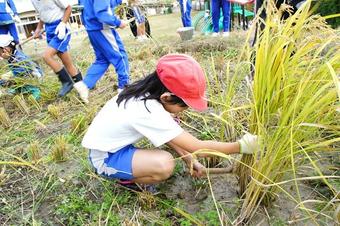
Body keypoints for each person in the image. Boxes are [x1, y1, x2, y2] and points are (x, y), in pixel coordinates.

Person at [81, 54, 258, 188]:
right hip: (104, 158)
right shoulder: (148, 111)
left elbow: (171, 136)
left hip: (115, 146)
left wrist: (189, 160)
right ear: (166, 97)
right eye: (185, 106)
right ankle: (126, 179)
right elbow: (199, 148)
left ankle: (131, 167)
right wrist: (240, 146)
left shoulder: (147, 93)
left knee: (173, 127)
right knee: (165, 164)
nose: (186, 110)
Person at [75, 0, 131, 104]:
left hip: (92, 28)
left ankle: (85, 84)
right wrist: (118, 22)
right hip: (102, 28)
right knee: (120, 57)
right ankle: (124, 87)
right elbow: (102, 13)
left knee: (102, 60)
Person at [31, 0, 84, 98]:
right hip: (49, 29)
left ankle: (66, 82)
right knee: (67, 62)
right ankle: (83, 85)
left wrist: (63, 24)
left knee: (47, 56)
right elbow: (43, 15)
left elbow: (68, 8)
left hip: (60, 27)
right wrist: (38, 28)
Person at [0, 34, 42, 99]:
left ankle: (35, 91)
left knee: (6, 82)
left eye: (0, 52)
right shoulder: (12, 57)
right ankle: (18, 88)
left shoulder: (20, 59)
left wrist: (9, 82)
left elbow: (23, 74)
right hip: (22, 76)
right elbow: (15, 71)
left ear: (6, 49)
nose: (0, 55)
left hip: (33, 78)